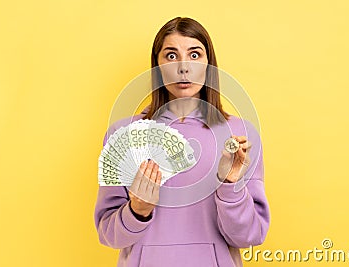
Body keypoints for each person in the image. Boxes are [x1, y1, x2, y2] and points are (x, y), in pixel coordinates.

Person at [94, 17, 270, 267]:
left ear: (209, 64)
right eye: (171, 56)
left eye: (195, 54)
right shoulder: (122, 133)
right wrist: (137, 211)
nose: (183, 67)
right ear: (157, 64)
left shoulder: (240, 134)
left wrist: (230, 186)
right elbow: (109, 235)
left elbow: (249, 236)